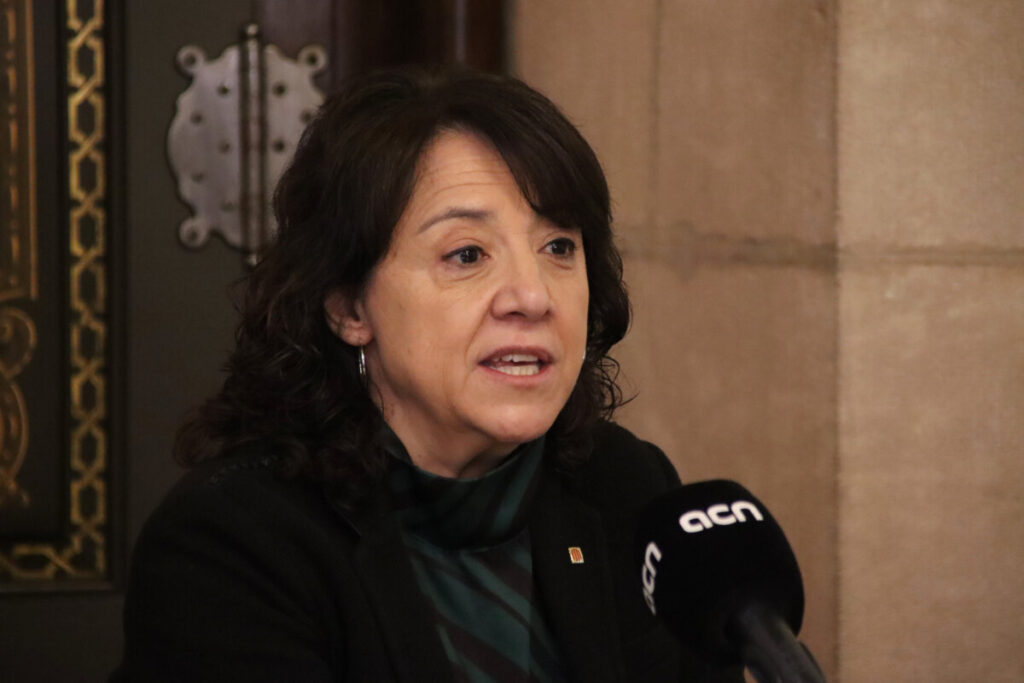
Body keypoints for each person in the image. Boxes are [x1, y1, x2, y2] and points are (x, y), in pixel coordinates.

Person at [115, 67, 743, 682]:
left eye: (559, 247)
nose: (532, 296)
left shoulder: (627, 487)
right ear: (348, 307)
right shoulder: (232, 546)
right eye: (467, 254)